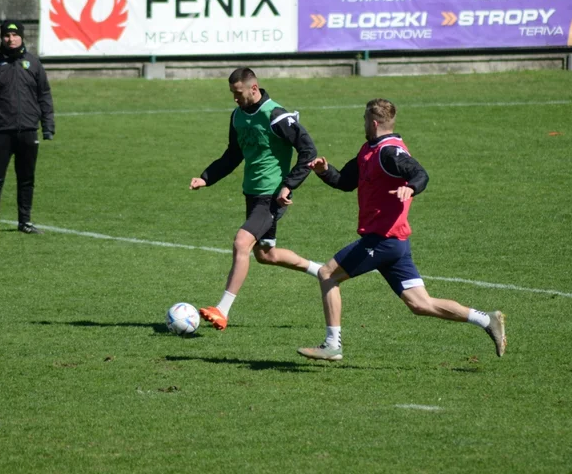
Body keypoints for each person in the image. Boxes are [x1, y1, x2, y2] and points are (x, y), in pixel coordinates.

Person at [297, 98, 506, 362]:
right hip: (394, 244)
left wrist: (412, 187)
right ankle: (486, 320)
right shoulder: (368, 150)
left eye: (364, 120)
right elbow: (345, 182)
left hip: (383, 240)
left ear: (373, 123)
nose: (363, 124)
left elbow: (420, 173)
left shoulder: (390, 152)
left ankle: (332, 344)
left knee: (328, 274)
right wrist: (325, 171)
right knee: (420, 304)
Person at [190, 67, 323, 330]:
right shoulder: (237, 116)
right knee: (266, 254)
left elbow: (308, 152)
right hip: (252, 193)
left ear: (254, 88)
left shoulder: (277, 116)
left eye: (238, 93)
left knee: (242, 243)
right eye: (231, 94)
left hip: (272, 196)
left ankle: (222, 310)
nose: (234, 99)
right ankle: (321, 271)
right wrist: (207, 177)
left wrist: (288, 185)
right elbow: (232, 154)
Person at [0, 20, 55, 236]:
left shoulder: (33, 63)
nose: (11, 39)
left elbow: (44, 95)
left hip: (28, 130)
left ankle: (25, 222)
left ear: (22, 37)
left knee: (27, 178)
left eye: (15, 35)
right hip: (0, 132)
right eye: (7, 36)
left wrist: (48, 126)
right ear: (1, 38)